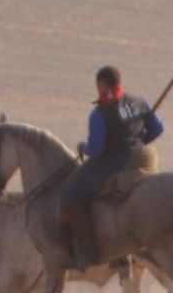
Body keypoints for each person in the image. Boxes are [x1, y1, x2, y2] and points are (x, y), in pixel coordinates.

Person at [58, 65, 163, 270]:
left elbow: (96, 149)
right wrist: (138, 140)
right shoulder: (139, 101)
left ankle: (89, 253)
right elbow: (158, 128)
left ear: (102, 84)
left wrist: (83, 147)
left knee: (70, 196)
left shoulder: (100, 113)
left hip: (115, 161)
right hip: (144, 156)